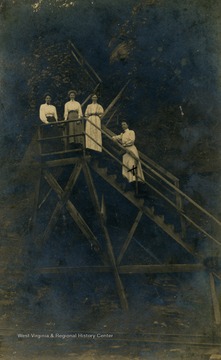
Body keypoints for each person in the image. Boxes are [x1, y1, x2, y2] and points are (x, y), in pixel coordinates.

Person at [112, 121, 145, 189]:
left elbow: (132, 140)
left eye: (124, 124)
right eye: (122, 125)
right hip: (126, 152)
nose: (123, 126)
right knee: (127, 165)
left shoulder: (131, 132)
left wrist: (124, 144)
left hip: (131, 149)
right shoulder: (122, 134)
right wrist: (114, 138)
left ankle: (134, 181)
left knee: (132, 165)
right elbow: (115, 137)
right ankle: (129, 181)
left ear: (127, 125)